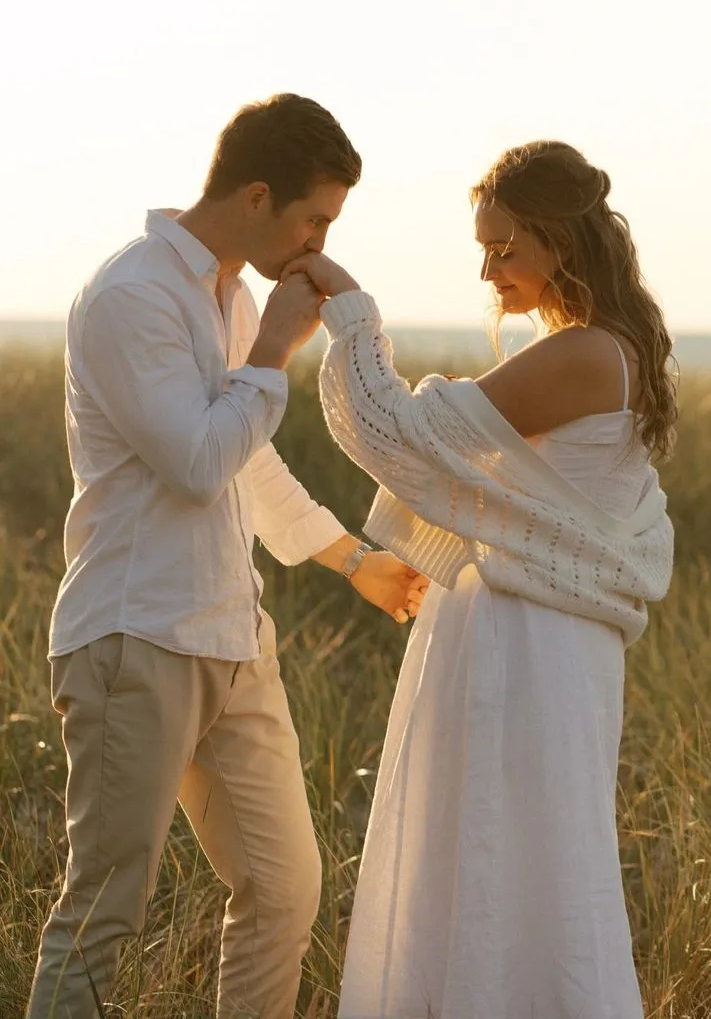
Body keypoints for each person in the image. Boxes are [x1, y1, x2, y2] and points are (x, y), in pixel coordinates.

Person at [27, 93, 426, 1019]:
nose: (322, 240)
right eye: (316, 218)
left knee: (286, 890)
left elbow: (250, 457)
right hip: (136, 640)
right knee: (101, 914)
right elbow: (202, 462)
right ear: (258, 196)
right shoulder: (133, 296)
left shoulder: (235, 295)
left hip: (235, 642)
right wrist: (279, 348)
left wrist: (350, 557)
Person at [281, 140, 677, 1019]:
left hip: (524, 645)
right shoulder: (613, 349)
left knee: (502, 860)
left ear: (560, 241)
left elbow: (403, 435)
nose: (489, 267)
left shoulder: (582, 355)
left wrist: (352, 316)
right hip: (542, 642)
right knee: (521, 861)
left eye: (505, 247)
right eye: (484, 247)